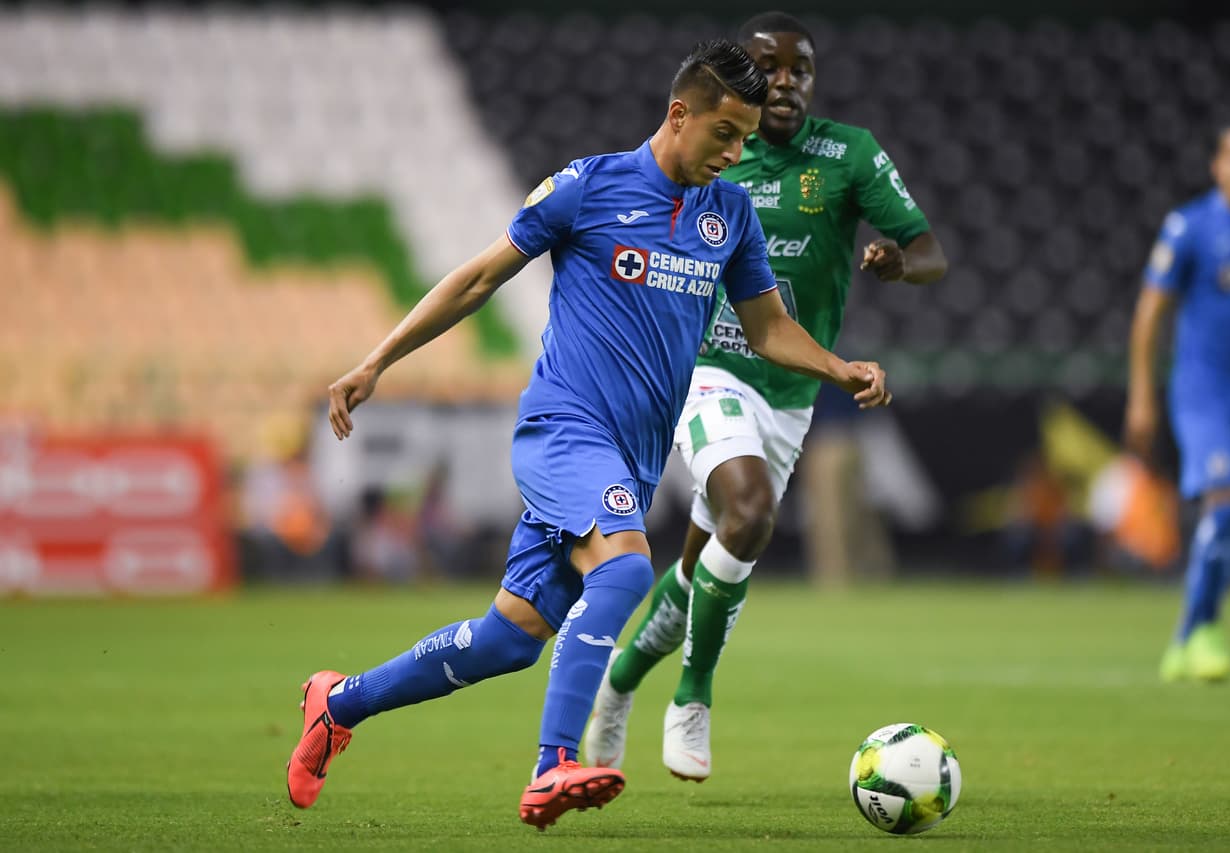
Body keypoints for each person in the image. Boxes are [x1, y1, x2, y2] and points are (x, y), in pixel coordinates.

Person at [285, 39, 892, 830]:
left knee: (507, 639)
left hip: (632, 458)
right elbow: (478, 277)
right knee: (627, 569)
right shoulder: (589, 185)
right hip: (563, 431)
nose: (737, 152)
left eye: (745, 139)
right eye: (725, 134)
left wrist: (839, 368)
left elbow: (770, 327)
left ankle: (339, 702)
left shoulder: (729, 213)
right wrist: (376, 361)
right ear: (681, 115)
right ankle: (554, 762)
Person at [584, 12, 946, 782]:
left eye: (799, 68)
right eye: (767, 67)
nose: (784, 80)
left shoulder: (849, 154)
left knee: (699, 570)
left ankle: (617, 683)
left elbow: (929, 250)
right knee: (750, 515)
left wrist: (893, 264)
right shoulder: (716, 156)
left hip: (790, 392)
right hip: (710, 369)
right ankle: (694, 693)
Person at [1125, 123, 1230, 683]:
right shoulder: (1190, 226)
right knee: (1228, 500)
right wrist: (1142, 395)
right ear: (1217, 167)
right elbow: (1149, 315)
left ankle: (1188, 636)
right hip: (1202, 395)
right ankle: (1205, 631)